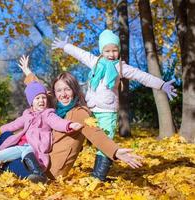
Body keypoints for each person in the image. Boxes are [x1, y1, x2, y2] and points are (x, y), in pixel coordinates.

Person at [0, 55, 143, 183]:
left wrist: (115, 151)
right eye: (59, 90)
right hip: (34, 155)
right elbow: (38, 92)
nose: (63, 94)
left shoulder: (80, 112)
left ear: (74, 90)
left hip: (46, 170)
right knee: (6, 136)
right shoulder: (54, 105)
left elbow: (95, 133)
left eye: (67, 89)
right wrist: (28, 72)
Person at [51, 29, 177, 181]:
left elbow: (142, 76)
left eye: (115, 50)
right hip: (90, 109)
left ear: (119, 51)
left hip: (107, 111)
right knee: (80, 131)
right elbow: (80, 54)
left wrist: (162, 85)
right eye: (107, 51)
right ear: (101, 50)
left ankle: (98, 176)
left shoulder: (121, 68)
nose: (111, 54)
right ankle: (59, 161)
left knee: (106, 140)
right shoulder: (95, 61)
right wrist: (65, 46)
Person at [0, 81, 83, 182]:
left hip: (36, 147)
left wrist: (69, 125)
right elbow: (14, 124)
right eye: (37, 98)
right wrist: (0, 130)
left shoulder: (48, 114)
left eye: (43, 98)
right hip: (22, 147)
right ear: (31, 102)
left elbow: (57, 122)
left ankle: (38, 174)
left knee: (27, 151)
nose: (41, 101)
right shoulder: (27, 115)